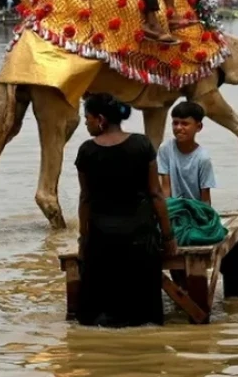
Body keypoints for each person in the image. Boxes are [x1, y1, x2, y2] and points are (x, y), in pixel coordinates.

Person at [74, 93, 178, 327]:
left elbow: (85, 200)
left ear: (100, 119)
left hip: (102, 240)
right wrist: (168, 235)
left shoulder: (86, 151)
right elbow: (156, 194)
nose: (86, 123)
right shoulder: (142, 144)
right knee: (144, 317)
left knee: (97, 317)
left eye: (87, 118)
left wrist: (83, 240)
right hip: (139, 238)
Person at [157, 102, 216, 206]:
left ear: (198, 127)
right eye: (175, 123)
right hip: (173, 207)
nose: (179, 128)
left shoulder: (203, 158)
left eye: (185, 123)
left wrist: (206, 217)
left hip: (195, 210)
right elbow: (166, 187)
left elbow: (205, 196)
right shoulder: (165, 149)